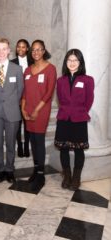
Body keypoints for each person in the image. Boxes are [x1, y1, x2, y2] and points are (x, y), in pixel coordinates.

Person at [54, 49, 94, 191]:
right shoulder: (60, 80)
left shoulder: (88, 80)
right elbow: (59, 98)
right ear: (66, 62)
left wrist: (80, 112)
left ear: (80, 62)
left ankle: (76, 177)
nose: (72, 63)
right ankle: (67, 176)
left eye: (75, 60)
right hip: (64, 118)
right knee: (63, 148)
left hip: (79, 119)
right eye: (69, 60)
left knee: (79, 150)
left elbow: (89, 100)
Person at [21, 40, 57, 190]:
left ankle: (41, 174)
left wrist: (36, 110)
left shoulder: (50, 69)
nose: (36, 52)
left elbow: (49, 93)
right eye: (33, 50)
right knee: (33, 141)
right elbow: (24, 92)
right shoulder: (28, 70)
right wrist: (23, 109)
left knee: (39, 140)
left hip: (41, 110)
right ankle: (36, 169)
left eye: (39, 49)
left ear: (44, 51)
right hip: (27, 109)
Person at [0, 38, 23, 183]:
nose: (1, 52)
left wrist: (12, 104)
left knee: (11, 143)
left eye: (4, 49)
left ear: (9, 50)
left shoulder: (17, 69)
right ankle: (0, 169)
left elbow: (20, 90)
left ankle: (10, 169)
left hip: (12, 112)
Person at [11, 39, 33, 158]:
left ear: (27, 48)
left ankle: (26, 146)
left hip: (29, 98)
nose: (20, 49)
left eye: (23, 47)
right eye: (18, 46)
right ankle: (19, 145)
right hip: (16, 98)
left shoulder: (33, 62)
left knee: (28, 123)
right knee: (18, 124)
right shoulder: (12, 62)